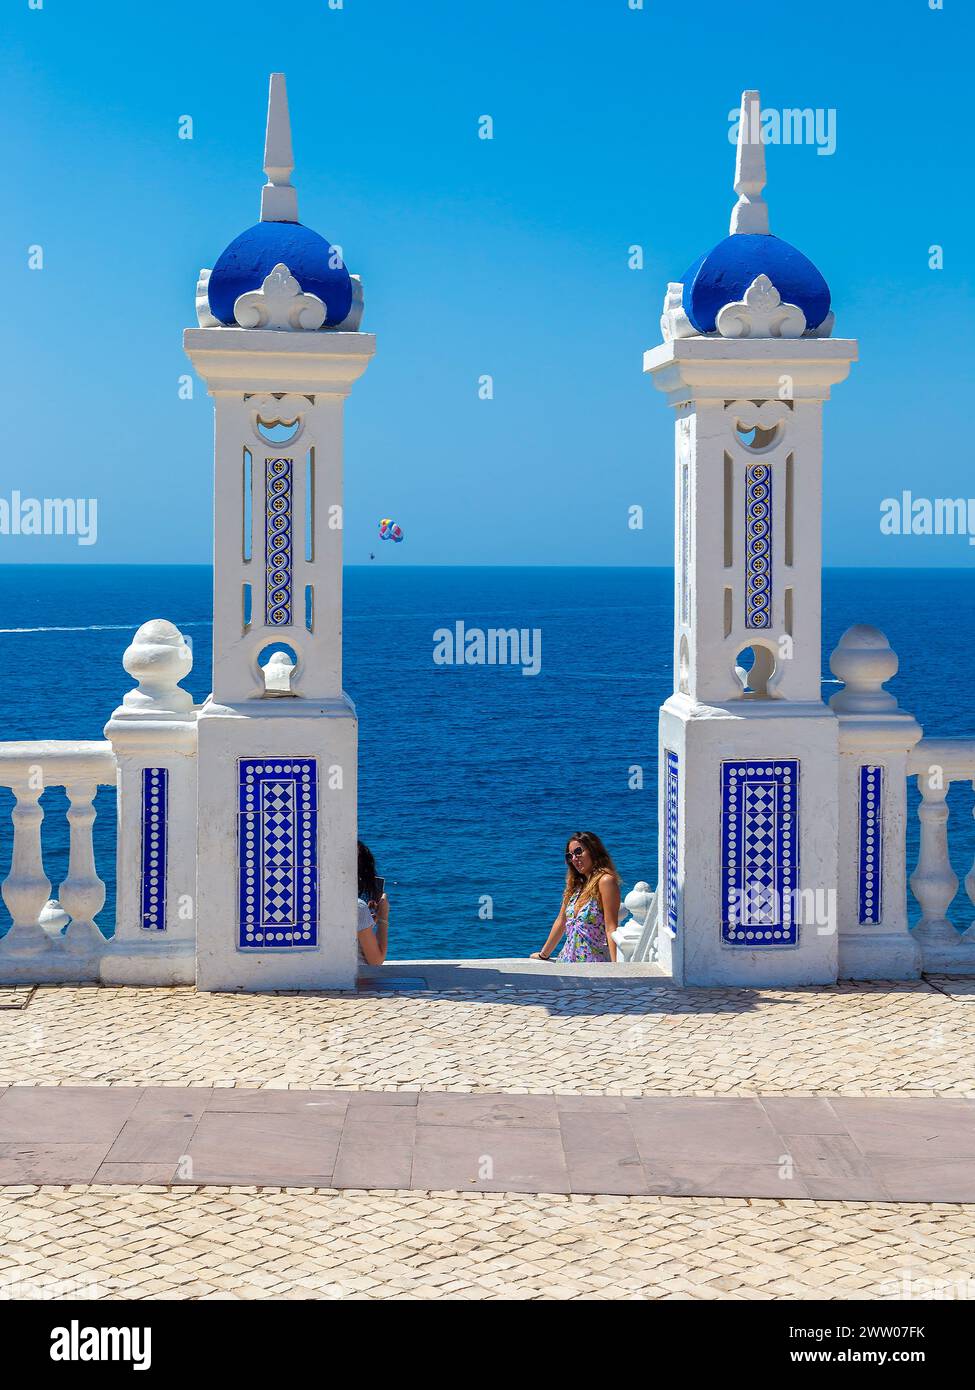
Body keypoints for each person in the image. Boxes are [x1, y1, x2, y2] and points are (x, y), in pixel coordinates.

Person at [530, 831, 621, 963]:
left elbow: (611, 927)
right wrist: (544, 954)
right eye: (570, 856)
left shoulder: (605, 881)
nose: (574, 858)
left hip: (593, 965)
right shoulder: (575, 886)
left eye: (578, 852)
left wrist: (616, 966)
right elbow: (561, 922)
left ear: (593, 850)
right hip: (566, 963)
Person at [356, 840, 389, 965]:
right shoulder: (358, 907)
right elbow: (376, 961)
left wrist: (367, 923)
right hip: (358, 980)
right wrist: (383, 918)